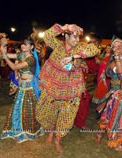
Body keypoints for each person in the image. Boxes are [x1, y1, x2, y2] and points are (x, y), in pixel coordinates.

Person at [35, 23, 100, 152]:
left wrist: (73, 56)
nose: (76, 40)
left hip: (71, 88)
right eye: (74, 37)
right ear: (65, 36)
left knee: (67, 115)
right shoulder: (58, 45)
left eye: (78, 37)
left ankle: (58, 139)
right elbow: (47, 36)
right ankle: (51, 132)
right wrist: (63, 28)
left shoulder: (80, 47)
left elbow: (94, 50)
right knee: (47, 111)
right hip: (53, 84)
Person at [0, 36, 44, 143]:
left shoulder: (31, 59)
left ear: (31, 47)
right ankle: (19, 130)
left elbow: (15, 67)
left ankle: (30, 131)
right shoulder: (21, 55)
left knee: (29, 110)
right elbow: (6, 55)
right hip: (22, 86)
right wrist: (3, 47)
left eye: (26, 44)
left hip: (29, 87)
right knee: (18, 108)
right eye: (23, 44)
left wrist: (5, 57)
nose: (23, 46)